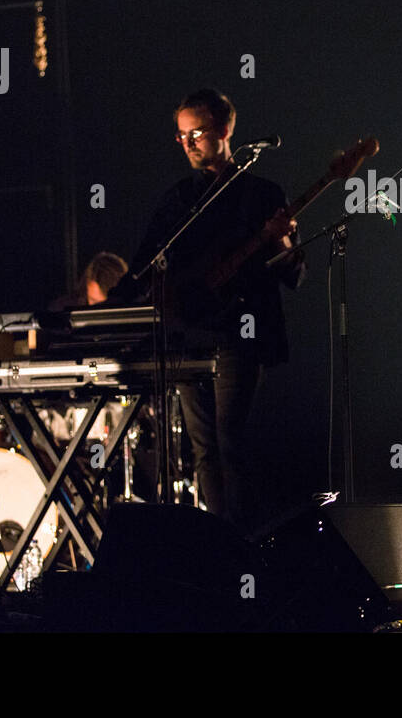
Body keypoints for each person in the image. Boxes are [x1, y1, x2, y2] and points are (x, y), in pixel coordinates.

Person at [111, 88, 304, 532]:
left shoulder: (261, 193)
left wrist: (282, 237)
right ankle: (219, 540)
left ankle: (243, 545)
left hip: (239, 336)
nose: (189, 144)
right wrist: (100, 309)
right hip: (187, 334)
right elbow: (144, 261)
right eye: (181, 136)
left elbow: (294, 273)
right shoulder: (180, 199)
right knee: (203, 449)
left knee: (231, 442)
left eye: (196, 133)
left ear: (225, 130)